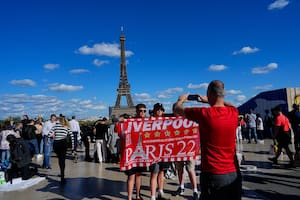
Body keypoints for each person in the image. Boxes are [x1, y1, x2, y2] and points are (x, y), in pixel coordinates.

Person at [173, 80, 242, 200]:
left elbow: (176, 109)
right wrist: (209, 100)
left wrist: (181, 100)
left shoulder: (204, 113)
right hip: (234, 173)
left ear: (210, 94)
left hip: (213, 172)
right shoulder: (233, 112)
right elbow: (231, 105)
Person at [115, 104, 147, 200]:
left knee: (138, 176)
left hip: (141, 152)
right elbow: (116, 129)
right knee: (131, 176)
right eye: (141, 110)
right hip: (131, 152)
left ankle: (137, 195)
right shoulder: (129, 122)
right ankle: (129, 198)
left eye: (144, 111)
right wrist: (120, 121)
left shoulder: (147, 122)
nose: (142, 113)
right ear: (136, 111)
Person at [149, 103, 170, 200]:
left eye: (161, 110)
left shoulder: (167, 121)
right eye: (157, 109)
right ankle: (153, 196)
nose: (159, 111)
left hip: (164, 151)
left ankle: (160, 191)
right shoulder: (149, 122)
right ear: (154, 111)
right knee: (154, 173)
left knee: (161, 172)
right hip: (154, 152)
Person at [49, 115, 74, 183]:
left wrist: (50, 139)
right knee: (62, 160)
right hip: (63, 143)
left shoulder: (55, 126)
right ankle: (62, 176)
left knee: (60, 159)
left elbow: (49, 134)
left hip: (56, 144)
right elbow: (72, 136)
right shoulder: (66, 126)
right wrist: (73, 147)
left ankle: (61, 173)